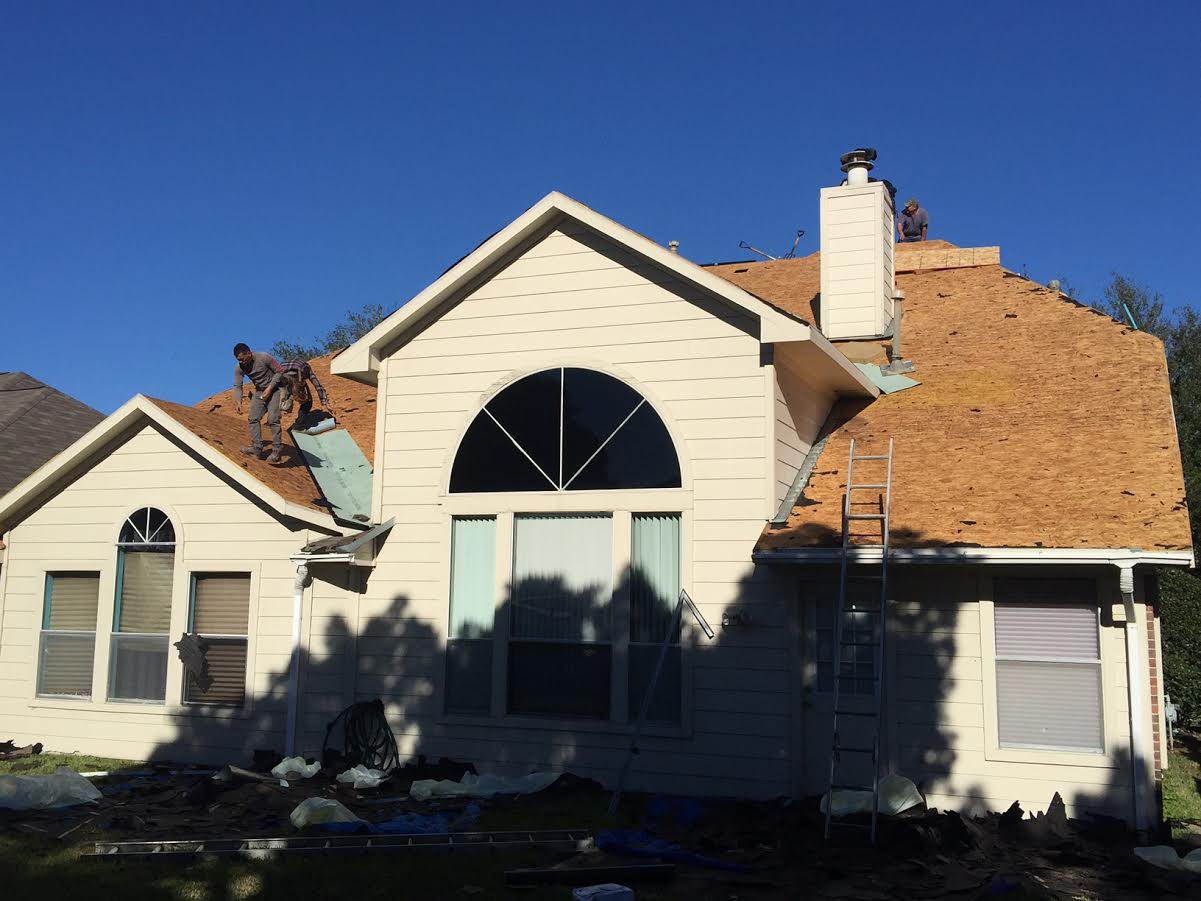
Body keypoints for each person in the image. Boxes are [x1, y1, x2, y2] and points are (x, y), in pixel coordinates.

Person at [232, 343, 283, 463]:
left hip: (275, 390)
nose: (241, 362)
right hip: (259, 392)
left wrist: (270, 388)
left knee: (273, 419)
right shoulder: (239, 368)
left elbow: (280, 371)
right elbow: (238, 385)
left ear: (249, 353)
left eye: (242, 359)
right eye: (238, 360)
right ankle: (257, 448)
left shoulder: (264, 357)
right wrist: (238, 401)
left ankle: (276, 450)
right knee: (253, 418)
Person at [263, 359, 330, 429]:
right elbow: (317, 384)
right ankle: (299, 424)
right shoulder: (306, 369)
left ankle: (270, 422)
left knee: (277, 398)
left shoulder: (300, 370)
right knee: (307, 402)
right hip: (287, 377)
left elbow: (272, 384)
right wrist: (324, 402)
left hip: (283, 376)